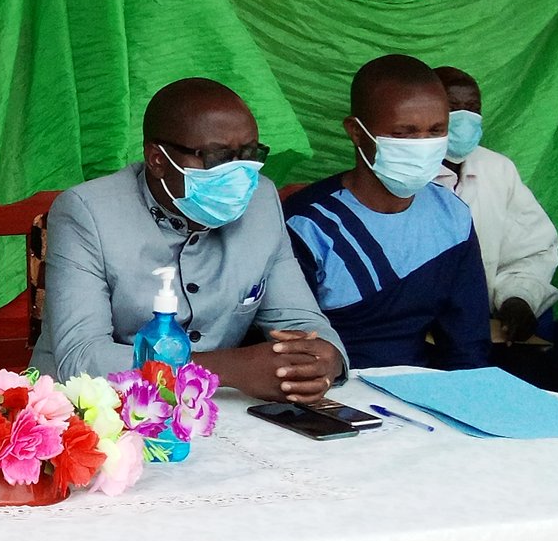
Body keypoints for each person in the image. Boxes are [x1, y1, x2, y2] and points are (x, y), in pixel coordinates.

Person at [31, 78, 346, 399]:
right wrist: (225, 369)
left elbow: (299, 319)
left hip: (213, 407)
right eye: (217, 157)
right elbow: (82, 357)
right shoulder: (87, 211)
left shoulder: (261, 201)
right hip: (94, 408)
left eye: (249, 153)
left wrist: (325, 358)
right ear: (158, 159)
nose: (239, 173)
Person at [284, 54, 490, 371]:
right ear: (356, 131)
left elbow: (467, 348)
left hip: (417, 388)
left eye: (436, 130)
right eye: (404, 133)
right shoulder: (307, 224)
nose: (423, 145)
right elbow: (291, 345)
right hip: (326, 387)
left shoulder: (452, 216)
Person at [432, 66, 558, 390]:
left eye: (473, 108)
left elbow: (531, 250)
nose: (465, 118)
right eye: (452, 107)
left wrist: (518, 297)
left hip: (482, 328)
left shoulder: (498, 171)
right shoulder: (405, 176)